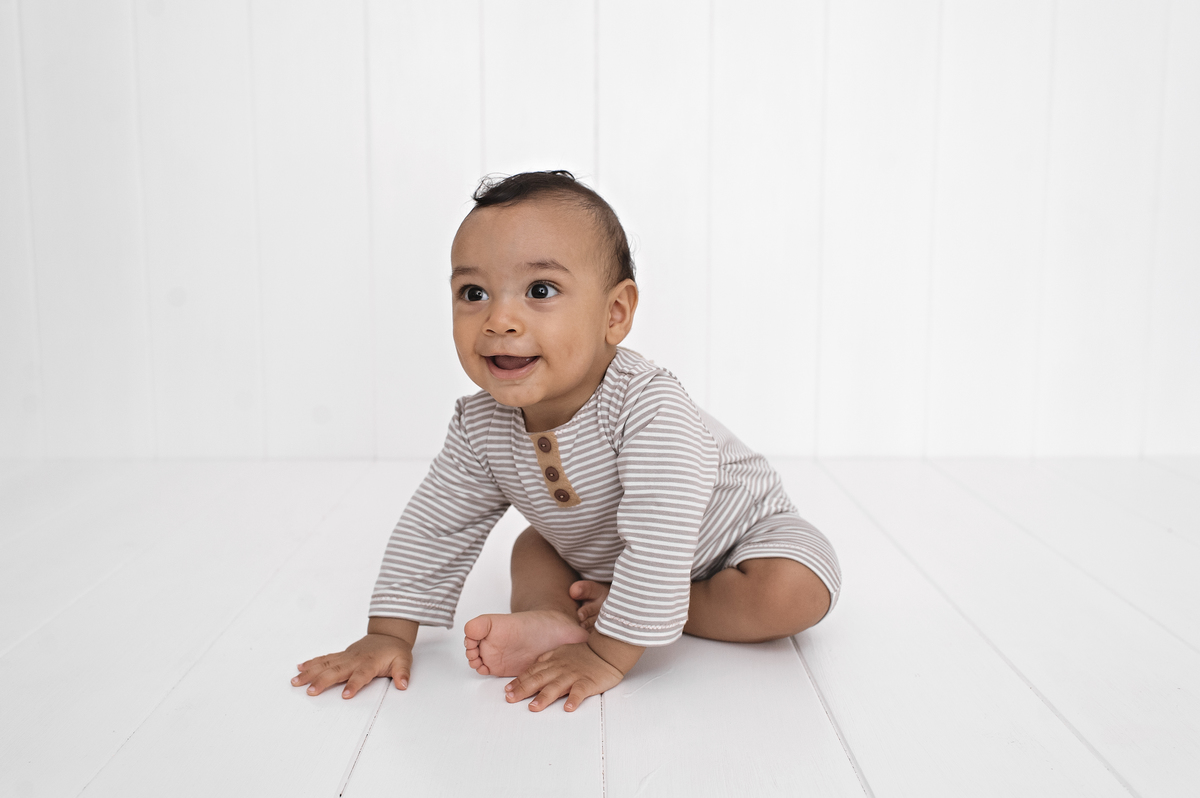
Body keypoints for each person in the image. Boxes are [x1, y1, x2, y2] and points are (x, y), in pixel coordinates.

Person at [291, 171, 841, 712]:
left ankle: (655, 609)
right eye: (473, 292)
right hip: (614, 554)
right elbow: (437, 523)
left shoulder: (648, 406)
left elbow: (662, 527)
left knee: (795, 590)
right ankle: (552, 617)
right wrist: (388, 634)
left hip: (741, 543)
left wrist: (609, 654)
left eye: (540, 290)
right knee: (534, 545)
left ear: (615, 313)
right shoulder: (480, 424)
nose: (500, 319)